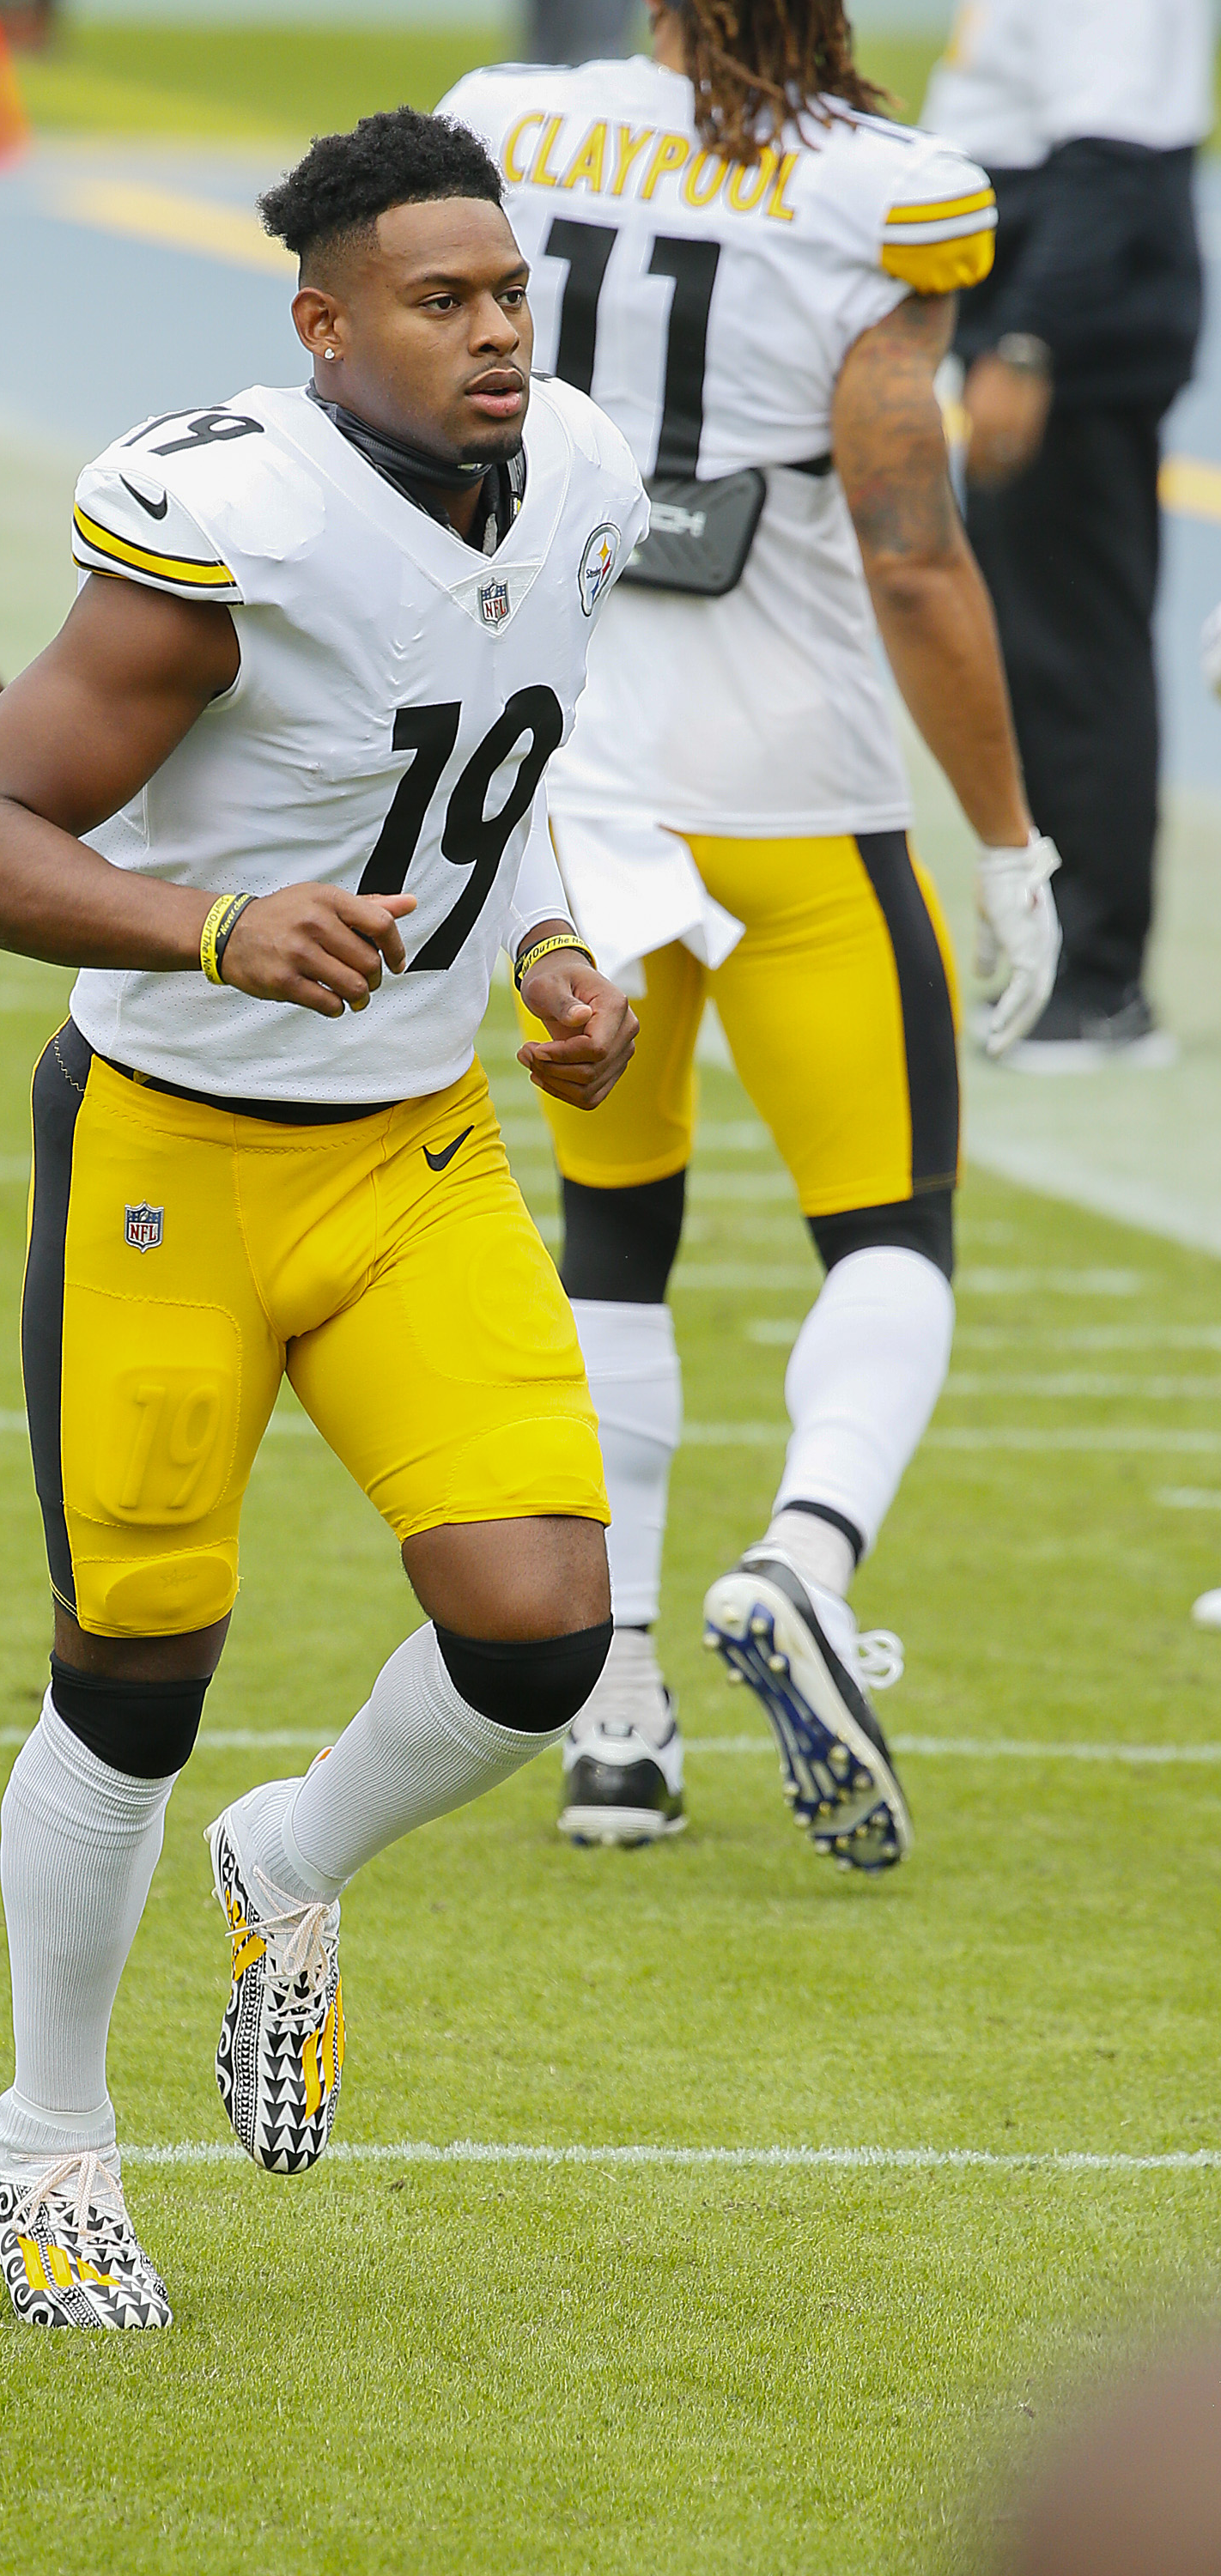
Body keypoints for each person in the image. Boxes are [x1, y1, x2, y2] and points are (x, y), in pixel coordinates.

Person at [0, 109, 647, 2330]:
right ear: (323, 329)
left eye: (508, 291)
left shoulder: (587, 472)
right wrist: (212, 928)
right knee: (134, 1679)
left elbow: (492, 773)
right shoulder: (226, 518)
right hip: (178, 1157)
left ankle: (291, 1856)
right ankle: (44, 2139)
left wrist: (549, 957)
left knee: (537, 1635)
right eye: (441, 302)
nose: (498, 332)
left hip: (416, 1145)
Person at [443, 0, 1058, 1869]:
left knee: (613, 1240)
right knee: (888, 1226)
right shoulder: (880, 189)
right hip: (796, 787)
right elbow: (906, 539)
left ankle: (613, 1716)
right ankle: (804, 1552)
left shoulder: (509, 126)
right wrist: (1012, 841)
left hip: (575, 790)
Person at [925, 0, 1209, 1066]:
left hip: (1067, 352)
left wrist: (1029, 340)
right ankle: (1065, 950)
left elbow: (1113, 163)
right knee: (1031, 645)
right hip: (1040, 332)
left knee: (1068, 653)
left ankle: (1098, 981)